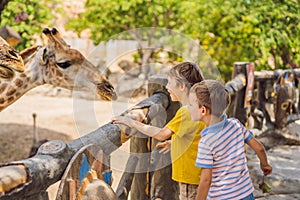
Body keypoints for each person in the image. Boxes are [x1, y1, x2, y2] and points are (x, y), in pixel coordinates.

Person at [112, 61, 205, 199]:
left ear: (182, 86)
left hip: (190, 178)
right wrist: (175, 143)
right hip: (197, 174)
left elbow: (161, 134)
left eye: (170, 83)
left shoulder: (186, 111)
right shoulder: (199, 107)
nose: (166, 87)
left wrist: (133, 122)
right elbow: (197, 135)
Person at [188, 80, 273, 200]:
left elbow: (206, 180)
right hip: (245, 193)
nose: (188, 107)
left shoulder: (206, 142)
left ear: (203, 110)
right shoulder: (235, 124)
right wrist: (265, 164)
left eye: (191, 105)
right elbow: (259, 148)